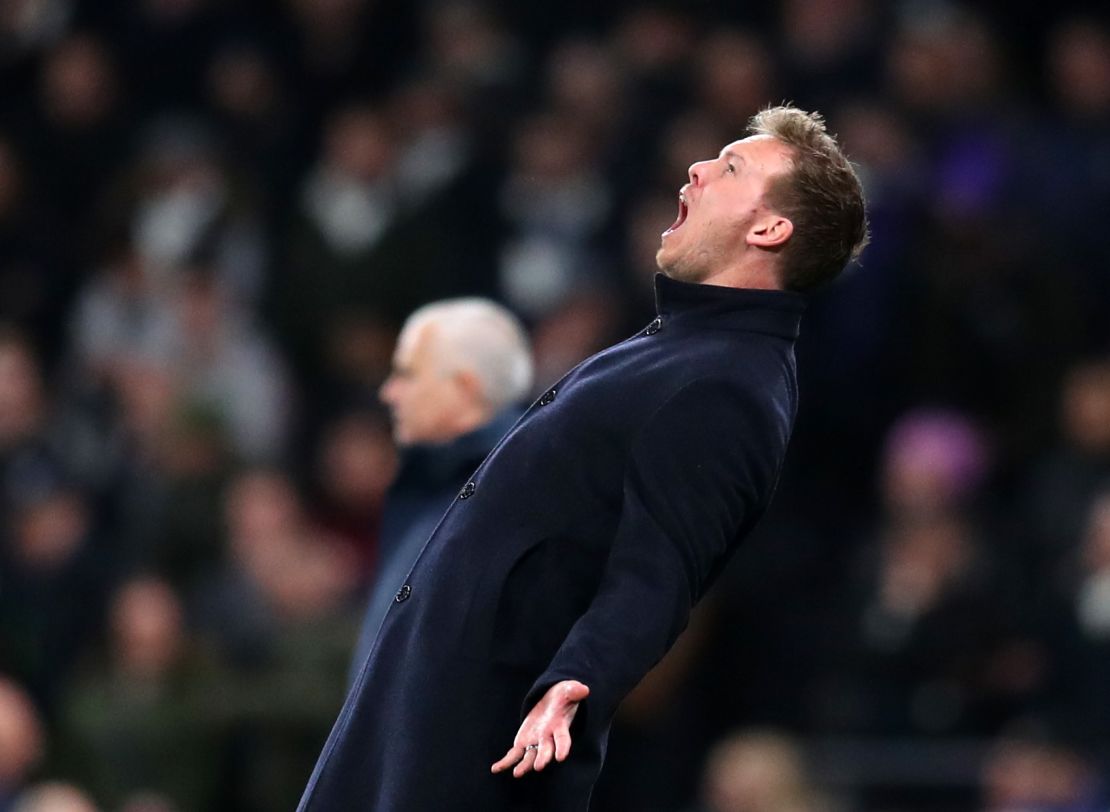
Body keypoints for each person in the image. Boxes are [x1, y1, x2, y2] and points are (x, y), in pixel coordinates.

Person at [297, 104, 868, 811]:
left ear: (769, 228)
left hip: (484, 749)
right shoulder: (683, 348)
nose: (696, 169)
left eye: (731, 167)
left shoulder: (730, 386)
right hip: (428, 718)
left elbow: (657, 575)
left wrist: (577, 679)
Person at [347, 298, 534, 681]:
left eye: (408, 375)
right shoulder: (436, 488)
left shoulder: (496, 502)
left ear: (464, 388)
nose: (390, 392)